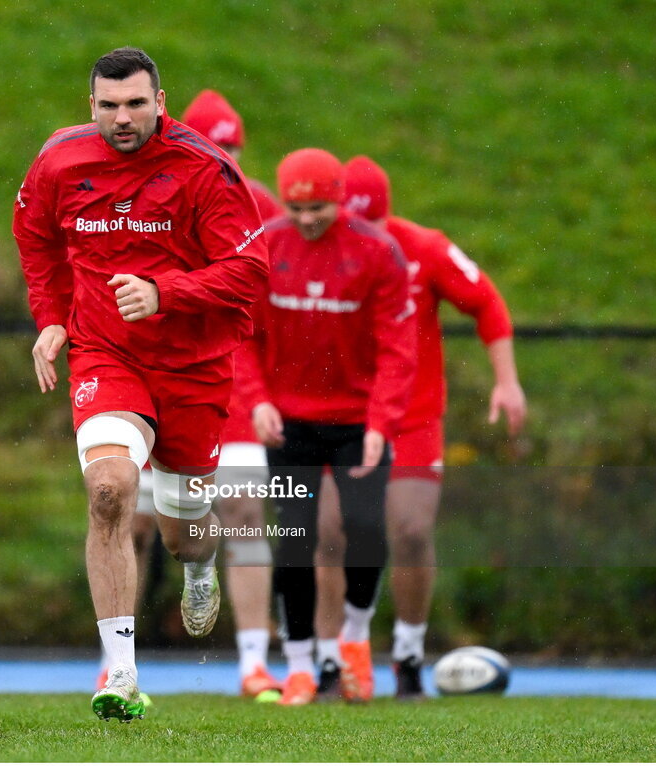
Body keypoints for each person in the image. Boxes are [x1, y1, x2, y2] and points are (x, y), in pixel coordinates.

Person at [12, 47, 269, 722]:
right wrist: (51, 320)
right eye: (108, 105)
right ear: (89, 105)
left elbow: (249, 271)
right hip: (105, 355)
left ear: (160, 100)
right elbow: (35, 238)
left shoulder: (203, 168)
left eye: (134, 104)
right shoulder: (59, 160)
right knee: (108, 491)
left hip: (192, 365)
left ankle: (198, 567)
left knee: (186, 532)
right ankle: (120, 672)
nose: (121, 118)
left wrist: (165, 292)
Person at [314, 155, 527, 699]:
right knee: (332, 532)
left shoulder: (424, 248)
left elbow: (486, 302)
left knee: (409, 529)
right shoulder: (315, 254)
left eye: (376, 226)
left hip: (409, 415)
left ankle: (407, 652)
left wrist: (506, 381)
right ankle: (331, 657)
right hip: (343, 415)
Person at [236, 148, 416, 706]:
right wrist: (257, 400)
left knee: (364, 531)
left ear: (338, 200)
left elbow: (397, 346)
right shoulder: (266, 245)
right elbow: (242, 335)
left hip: (357, 422)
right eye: (296, 206)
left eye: (317, 207)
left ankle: (356, 640)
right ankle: (298, 667)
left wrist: (381, 422)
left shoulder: (376, 251)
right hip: (290, 423)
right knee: (296, 539)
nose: (306, 217)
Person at [181, 88, 283, 698]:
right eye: (218, 149)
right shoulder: (154, 200)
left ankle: (252, 663)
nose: (228, 161)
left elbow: (272, 318)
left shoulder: (265, 208)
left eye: (235, 150)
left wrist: (272, 390)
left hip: (239, 386)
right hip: (166, 377)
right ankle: (115, 659)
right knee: (136, 522)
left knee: (245, 515)